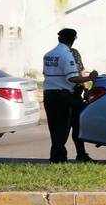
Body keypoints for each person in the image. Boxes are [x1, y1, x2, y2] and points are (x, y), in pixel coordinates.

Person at [42, 29, 97, 163]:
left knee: (57, 128)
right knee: (63, 129)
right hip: (64, 95)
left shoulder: (48, 54)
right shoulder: (67, 55)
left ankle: (61, 156)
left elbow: (46, 73)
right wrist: (90, 78)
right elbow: (73, 78)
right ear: (73, 39)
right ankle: (58, 158)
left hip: (49, 95)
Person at [69, 46, 94, 162]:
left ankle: (58, 155)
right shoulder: (73, 53)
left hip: (59, 96)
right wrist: (87, 90)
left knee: (61, 130)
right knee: (77, 127)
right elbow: (81, 72)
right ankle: (81, 154)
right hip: (73, 96)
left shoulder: (56, 54)